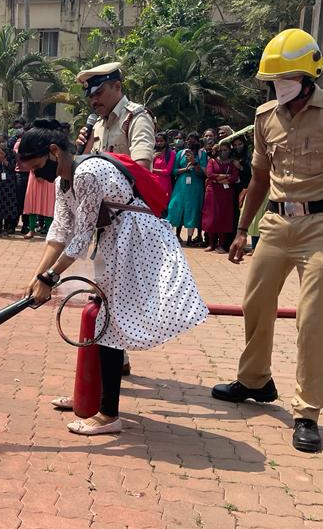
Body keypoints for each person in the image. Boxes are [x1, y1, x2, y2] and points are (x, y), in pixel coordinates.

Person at [212, 29, 323, 453]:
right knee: (255, 302)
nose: (279, 87)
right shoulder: (266, 117)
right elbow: (260, 178)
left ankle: (307, 412)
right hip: (277, 226)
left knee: (313, 319)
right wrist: (243, 230)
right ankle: (255, 380)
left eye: (288, 78)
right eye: (274, 81)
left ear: (310, 75)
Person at [20, 119, 207, 435]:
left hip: (137, 238)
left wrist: (51, 278)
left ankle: (108, 415)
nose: (36, 174)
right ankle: (89, 397)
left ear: (53, 151)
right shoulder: (63, 182)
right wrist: (39, 275)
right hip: (115, 240)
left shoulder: (87, 173)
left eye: (37, 166)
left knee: (110, 322)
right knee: (107, 320)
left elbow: (80, 238)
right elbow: (60, 230)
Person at [75, 62, 155, 170]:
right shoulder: (97, 125)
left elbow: (142, 169)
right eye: (90, 96)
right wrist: (84, 153)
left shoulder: (136, 118)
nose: (94, 101)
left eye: (98, 93)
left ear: (117, 86)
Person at [167, 132, 207, 245]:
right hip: (181, 185)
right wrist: (185, 169)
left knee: (192, 210)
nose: (190, 142)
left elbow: (203, 173)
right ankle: (175, 235)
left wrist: (195, 163)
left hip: (195, 186)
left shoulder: (202, 154)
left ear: (198, 142)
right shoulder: (180, 153)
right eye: (189, 139)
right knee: (176, 207)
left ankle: (190, 239)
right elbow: (174, 170)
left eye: (193, 139)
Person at [203, 143, 238, 253]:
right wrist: (224, 177)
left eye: (225, 150)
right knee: (211, 218)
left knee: (224, 218)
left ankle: (222, 245)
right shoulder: (212, 161)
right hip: (213, 192)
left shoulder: (232, 163)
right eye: (221, 150)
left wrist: (218, 179)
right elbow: (209, 174)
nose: (223, 152)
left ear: (229, 150)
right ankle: (211, 244)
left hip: (226, 194)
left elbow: (235, 177)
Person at [0, 143, 18, 235]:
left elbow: (11, 167)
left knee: (9, 205)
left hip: (9, 184)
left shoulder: (12, 154)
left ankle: (7, 227)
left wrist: (3, 158)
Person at [150, 132, 175, 214]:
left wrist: (151, 169)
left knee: (163, 209)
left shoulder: (171, 153)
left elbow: (167, 171)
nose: (159, 143)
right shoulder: (152, 153)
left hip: (164, 185)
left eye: (161, 141)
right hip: (153, 183)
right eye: (157, 141)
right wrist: (152, 157)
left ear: (166, 141)